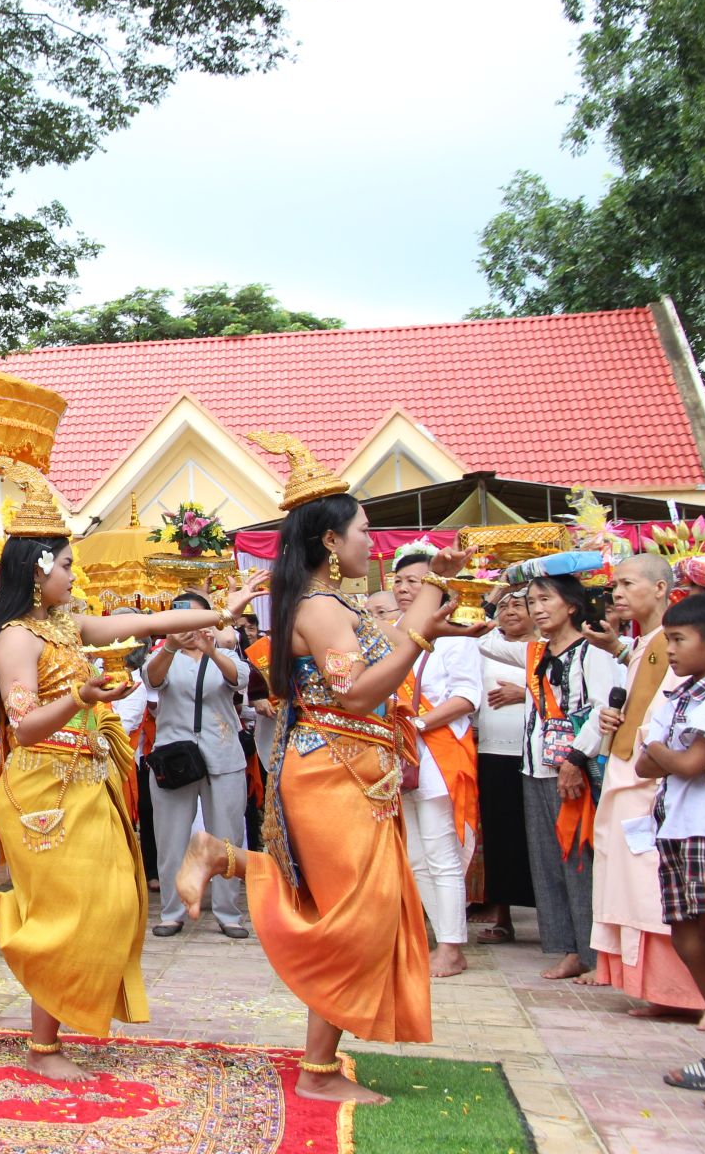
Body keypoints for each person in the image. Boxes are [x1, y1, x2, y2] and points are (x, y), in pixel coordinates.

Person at [0, 459, 267, 1079]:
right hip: (40, 786)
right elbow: (22, 727)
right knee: (66, 913)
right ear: (39, 567)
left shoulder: (68, 628)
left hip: (87, 782)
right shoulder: (16, 638)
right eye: (68, 564)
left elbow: (148, 623)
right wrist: (81, 699)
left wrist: (220, 615)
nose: (76, 575)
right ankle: (42, 1044)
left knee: (117, 903)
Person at [174, 433, 480, 1104]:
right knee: (353, 916)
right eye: (364, 532)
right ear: (330, 544)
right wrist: (423, 616)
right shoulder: (317, 607)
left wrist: (439, 609)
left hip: (349, 766)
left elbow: (378, 663)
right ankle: (316, 1073)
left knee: (354, 911)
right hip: (333, 766)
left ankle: (228, 859)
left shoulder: (333, 606)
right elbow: (358, 691)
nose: (372, 544)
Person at [485, 573, 622, 982]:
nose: (536, 608)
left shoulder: (593, 650)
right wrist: (500, 591)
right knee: (547, 861)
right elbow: (485, 641)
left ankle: (592, 952)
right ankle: (567, 947)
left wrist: (575, 759)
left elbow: (602, 711)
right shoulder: (536, 651)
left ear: (572, 606)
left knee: (578, 860)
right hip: (535, 767)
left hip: (574, 769)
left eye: (546, 600)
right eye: (532, 601)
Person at [589, 554, 705, 1017]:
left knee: (651, 887)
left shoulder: (669, 643)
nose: (616, 593)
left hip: (650, 777)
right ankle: (660, 992)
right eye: (613, 584)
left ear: (661, 588)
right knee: (634, 884)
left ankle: (692, 994)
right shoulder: (646, 643)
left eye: (627, 583)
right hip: (630, 769)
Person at [634, 590, 705, 1098]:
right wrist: (665, 751)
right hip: (673, 825)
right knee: (687, 938)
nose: (669, 649)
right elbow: (649, 761)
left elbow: (688, 764)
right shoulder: (683, 693)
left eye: (677, 639)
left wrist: (662, 751)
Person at [391, 547, 485, 980]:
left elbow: (467, 697)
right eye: (400, 580)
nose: (405, 588)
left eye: (415, 580)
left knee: (440, 850)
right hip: (400, 752)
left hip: (439, 750)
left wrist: (419, 723)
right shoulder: (393, 630)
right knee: (414, 854)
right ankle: (437, 935)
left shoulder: (455, 632)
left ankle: (452, 947)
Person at [144, 592, 253, 941]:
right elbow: (152, 680)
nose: (188, 625)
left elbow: (241, 680)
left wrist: (212, 652)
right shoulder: (163, 655)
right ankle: (173, 912)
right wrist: (171, 646)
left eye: (195, 617)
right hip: (173, 756)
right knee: (171, 838)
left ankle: (228, 912)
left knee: (227, 837)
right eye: (181, 618)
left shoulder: (225, 652)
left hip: (222, 753)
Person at [474, 587, 537, 945]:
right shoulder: (487, 645)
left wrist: (525, 692)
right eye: (505, 605)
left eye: (520, 604)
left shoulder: (547, 645)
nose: (511, 611)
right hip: (493, 749)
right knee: (500, 833)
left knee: (536, 834)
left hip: (536, 753)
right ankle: (503, 916)